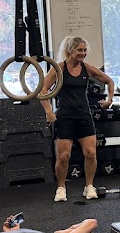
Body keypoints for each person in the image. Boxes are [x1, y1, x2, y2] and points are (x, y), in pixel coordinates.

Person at [42, 36, 115, 202]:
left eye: (84, 50)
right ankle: (61, 188)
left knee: (90, 153)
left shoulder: (87, 69)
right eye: (79, 50)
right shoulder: (59, 69)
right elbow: (43, 90)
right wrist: (48, 111)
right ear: (70, 50)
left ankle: (89, 186)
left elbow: (109, 81)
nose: (83, 53)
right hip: (65, 117)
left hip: (84, 116)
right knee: (63, 157)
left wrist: (109, 100)